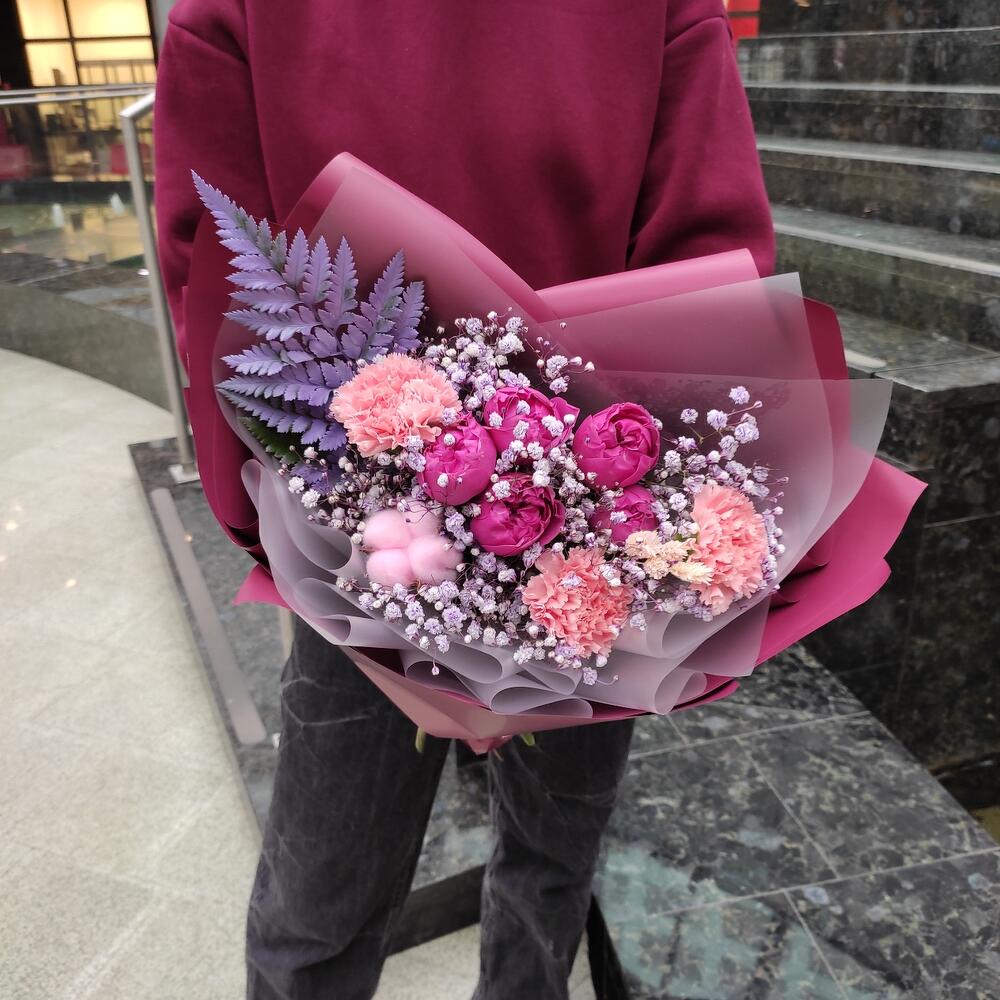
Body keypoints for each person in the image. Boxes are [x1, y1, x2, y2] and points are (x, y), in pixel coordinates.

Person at [154, 1, 774, 997]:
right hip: (589, 541)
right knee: (543, 872)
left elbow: (218, 281)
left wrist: (291, 544)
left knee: (322, 902)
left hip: (368, 537)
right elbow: (711, 266)